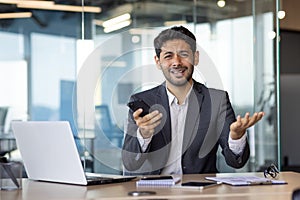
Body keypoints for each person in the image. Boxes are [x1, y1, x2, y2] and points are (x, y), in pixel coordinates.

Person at [122, 26, 264, 175]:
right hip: (154, 191)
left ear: (195, 58)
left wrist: (236, 137)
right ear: (158, 62)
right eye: (168, 56)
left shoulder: (217, 100)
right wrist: (144, 134)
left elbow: (236, 161)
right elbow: (131, 163)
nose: (177, 62)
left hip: (200, 192)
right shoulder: (142, 101)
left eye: (183, 54)